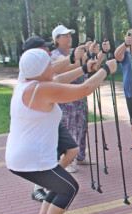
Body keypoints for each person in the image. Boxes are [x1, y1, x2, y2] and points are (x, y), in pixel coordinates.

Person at [6, 49, 116, 214]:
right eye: (48, 64)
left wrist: (84, 68)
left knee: (59, 187)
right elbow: (84, 90)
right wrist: (106, 70)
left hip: (24, 157)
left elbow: (58, 79)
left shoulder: (28, 84)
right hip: (31, 159)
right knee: (69, 188)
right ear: (39, 70)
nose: (52, 67)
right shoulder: (39, 90)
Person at [21, 36, 79, 202]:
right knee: (47, 156)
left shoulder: (42, 67)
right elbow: (58, 75)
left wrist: (84, 65)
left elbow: (59, 77)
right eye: (44, 50)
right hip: (38, 123)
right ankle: (40, 186)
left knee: (72, 150)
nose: (48, 52)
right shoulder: (30, 72)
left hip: (51, 119)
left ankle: (48, 183)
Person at [51, 24, 107, 170]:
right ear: (57, 39)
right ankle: (65, 160)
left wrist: (95, 53)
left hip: (79, 95)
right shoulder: (56, 55)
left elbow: (90, 64)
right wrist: (84, 56)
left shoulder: (74, 51)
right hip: (65, 98)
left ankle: (80, 156)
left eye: (70, 35)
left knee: (82, 126)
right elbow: (67, 66)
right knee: (67, 128)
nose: (69, 38)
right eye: (65, 36)